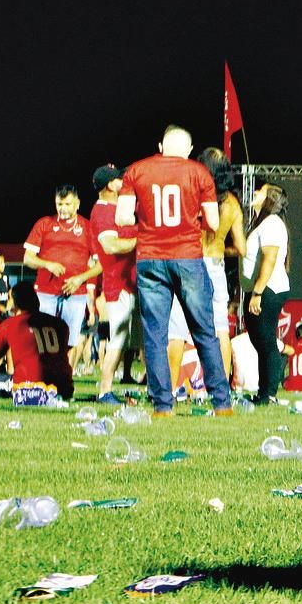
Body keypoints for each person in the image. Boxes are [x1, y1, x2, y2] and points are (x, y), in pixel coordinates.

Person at [116, 127, 232, 415]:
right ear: (190, 148)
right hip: (188, 258)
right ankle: (222, 403)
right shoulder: (199, 173)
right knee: (204, 331)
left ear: (160, 145)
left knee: (156, 335)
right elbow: (214, 223)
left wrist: (147, 222)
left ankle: (162, 405)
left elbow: (121, 218)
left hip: (150, 258)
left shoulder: (137, 170)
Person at [22, 185, 101, 371]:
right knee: (43, 340)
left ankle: (65, 381)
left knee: (71, 341)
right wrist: (47, 264)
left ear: (77, 204)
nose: (63, 208)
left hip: (76, 294)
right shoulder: (44, 224)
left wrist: (80, 279)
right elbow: (27, 258)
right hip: (46, 293)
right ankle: (42, 378)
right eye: (59, 204)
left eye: (67, 204)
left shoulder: (88, 228)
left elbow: (101, 265)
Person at [87, 164, 137, 402]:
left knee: (129, 340)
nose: (123, 183)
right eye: (119, 180)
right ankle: (105, 390)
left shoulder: (116, 208)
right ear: (110, 185)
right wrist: (143, 240)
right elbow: (111, 246)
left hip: (130, 282)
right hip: (118, 284)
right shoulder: (103, 211)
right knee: (117, 339)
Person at [0, 281, 74, 400]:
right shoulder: (60, 324)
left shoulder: (10, 324)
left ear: (16, 304)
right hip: (64, 387)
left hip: (29, 386)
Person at [196, 147, 246, 381]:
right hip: (216, 265)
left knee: (181, 329)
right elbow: (242, 249)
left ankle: (179, 384)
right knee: (221, 329)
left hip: (192, 263)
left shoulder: (194, 196)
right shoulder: (232, 204)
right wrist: (220, 248)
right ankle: (222, 384)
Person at [242, 181, 290, 405]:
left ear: (269, 198)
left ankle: (269, 393)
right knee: (261, 341)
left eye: (259, 191)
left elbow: (269, 259)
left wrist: (258, 292)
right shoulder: (262, 223)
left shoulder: (271, 223)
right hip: (259, 288)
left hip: (267, 289)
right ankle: (264, 392)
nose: (254, 193)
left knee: (266, 341)